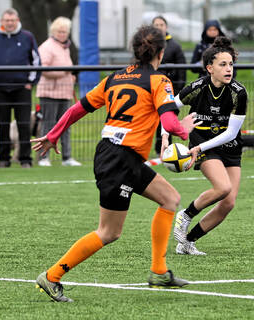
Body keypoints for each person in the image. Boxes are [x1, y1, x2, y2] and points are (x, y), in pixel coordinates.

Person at [31, 25, 201, 302]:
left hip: (119, 156)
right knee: (109, 232)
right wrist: (183, 129)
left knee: (170, 198)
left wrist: (53, 135)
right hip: (119, 159)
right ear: (160, 52)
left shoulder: (115, 78)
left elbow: (76, 109)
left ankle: (159, 271)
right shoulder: (159, 80)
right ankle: (52, 276)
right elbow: (169, 122)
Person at [162, 37, 247, 255]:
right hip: (202, 144)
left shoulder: (239, 92)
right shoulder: (197, 88)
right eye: (223, 65)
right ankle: (185, 215)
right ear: (210, 68)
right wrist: (165, 138)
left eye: (230, 64)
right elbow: (168, 110)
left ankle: (187, 242)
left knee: (228, 203)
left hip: (229, 145)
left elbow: (231, 133)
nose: (229, 69)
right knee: (222, 187)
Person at [0, 8, 41, 169]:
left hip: (22, 89)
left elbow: (36, 61)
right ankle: (3, 159)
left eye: (12, 20)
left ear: (17, 20)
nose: (9, 23)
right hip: (0, 90)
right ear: (2, 22)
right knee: (3, 125)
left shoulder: (27, 37)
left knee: (24, 124)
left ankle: (25, 160)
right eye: (6, 20)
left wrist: (30, 82)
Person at [36, 16, 81, 167]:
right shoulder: (47, 47)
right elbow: (43, 68)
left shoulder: (65, 47)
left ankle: (67, 157)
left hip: (65, 92)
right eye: (60, 31)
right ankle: (43, 157)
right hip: (49, 93)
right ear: (53, 31)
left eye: (65, 32)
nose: (63, 34)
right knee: (48, 125)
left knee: (66, 126)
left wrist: (70, 76)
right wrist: (64, 73)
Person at [152, 15, 186, 156]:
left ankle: (167, 149)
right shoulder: (149, 44)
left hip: (168, 90)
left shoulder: (174, 46)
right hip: (151, 90)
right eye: (156, 25)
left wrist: (177, 91)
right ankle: (154, 148)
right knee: (150, 120)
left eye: (161, 24)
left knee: (166, 120)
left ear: (166, 27)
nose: (159, 27)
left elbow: (181, 69)